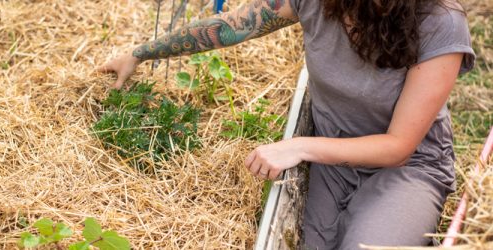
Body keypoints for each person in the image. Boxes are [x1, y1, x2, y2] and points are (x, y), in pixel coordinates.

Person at [97, 0, 475, 248]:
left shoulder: (439, 22)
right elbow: (229, 26)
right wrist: (139, 53)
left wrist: (300, 146)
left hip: (408, 168)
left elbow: (398, 146)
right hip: (335, 160)